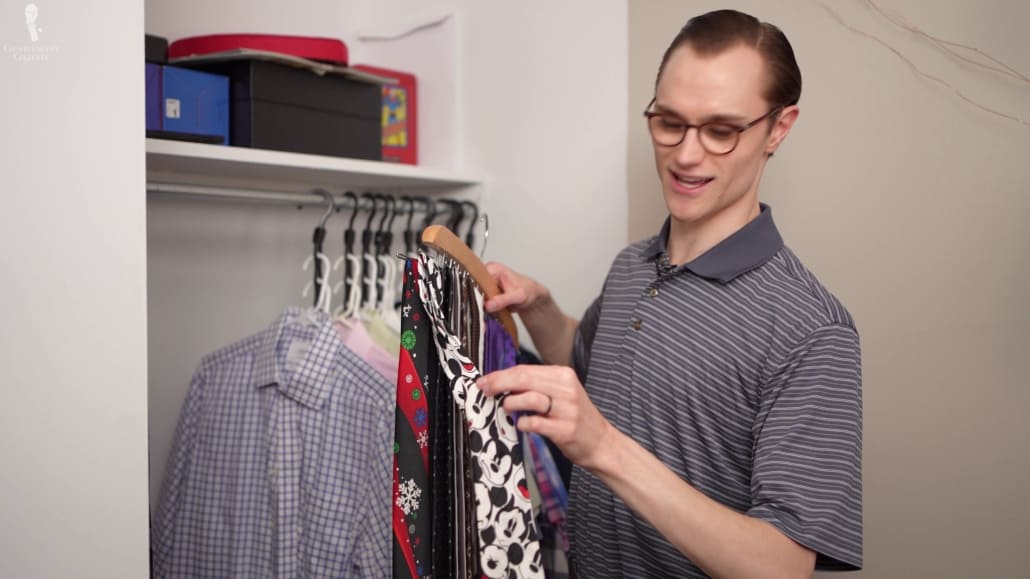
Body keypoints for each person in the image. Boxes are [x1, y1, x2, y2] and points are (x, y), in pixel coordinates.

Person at [475, 9, 862, 579]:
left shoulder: (813, 329)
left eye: (721, 131)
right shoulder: (632, 266)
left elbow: (782, 566)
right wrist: (539, 308)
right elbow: (588, 369)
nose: (685, 154)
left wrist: (603, 448)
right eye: (669, 122)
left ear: (778, 128)